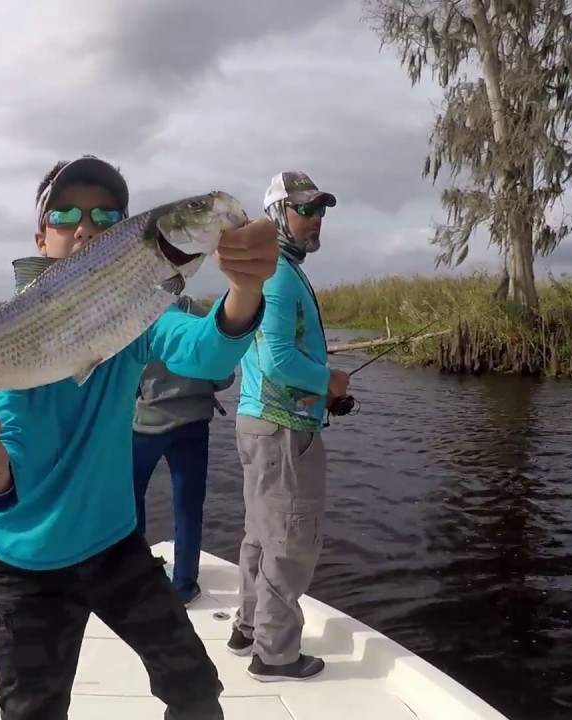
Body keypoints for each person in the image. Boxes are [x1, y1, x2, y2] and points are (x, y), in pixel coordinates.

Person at [0, 155, 279, 720]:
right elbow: (7, 474)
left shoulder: (134, 316)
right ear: (40, 240)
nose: (84, 227)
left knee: (195, 689)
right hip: (27, 568)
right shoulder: (11, 344)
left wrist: (247, 289)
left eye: (106, 217)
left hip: (117, 547)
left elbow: (207, 352)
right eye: (65, 215)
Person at [227, 170, 350, 682]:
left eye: (319, 209)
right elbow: (277, 360)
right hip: (281, 429)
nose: (315, 218)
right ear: (277, 213)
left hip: (260, 424)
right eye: (304, 209)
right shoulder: (278, 275)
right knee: (290, 540)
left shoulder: (272, 269)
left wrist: (322, 387)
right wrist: (329, 380)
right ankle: (274, 655)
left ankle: (247, 629)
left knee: (262, 533)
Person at [132, 294, 235, 606]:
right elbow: (224, 376)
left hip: (145, 426)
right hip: (194, 424)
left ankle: (135, 579)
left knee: (130, 502)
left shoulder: (137, 315)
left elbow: (126, 378)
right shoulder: (197, 314)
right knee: (189, 508)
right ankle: (185, 584)